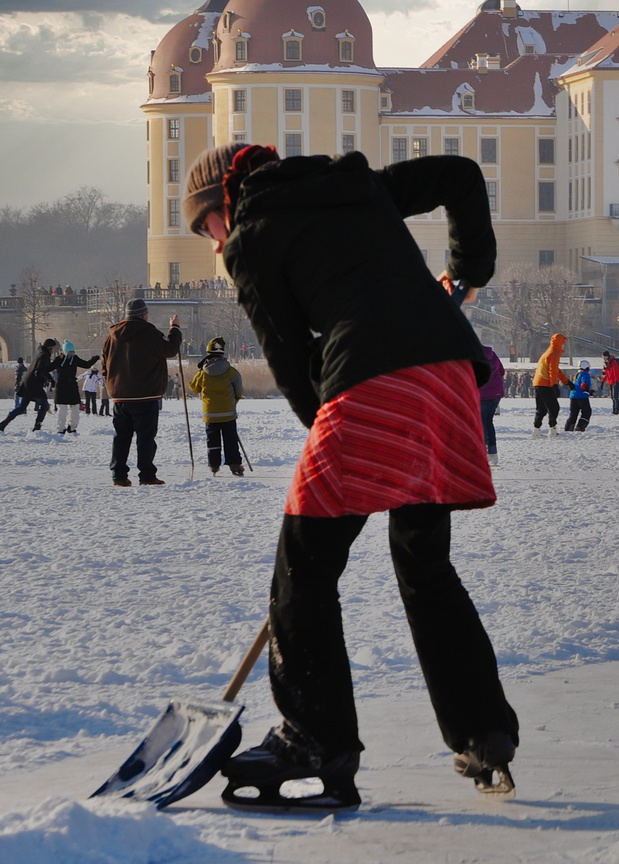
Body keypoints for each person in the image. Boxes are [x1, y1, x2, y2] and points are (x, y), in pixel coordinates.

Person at [185, 142, 517, 806]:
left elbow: (287, 359)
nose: (213, 245)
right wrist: (469, 268)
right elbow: (460, 175)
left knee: (302, 568)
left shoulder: (254, 238)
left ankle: (315, 738)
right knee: (424, 564)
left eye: (207, 228)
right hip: (448, 377)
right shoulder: (358, 185)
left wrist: (337, 428)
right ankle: (483, 732)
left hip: (370, 385)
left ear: (227, 201)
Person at [102, 300, 182, 486]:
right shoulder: (149, 333)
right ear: (143, 315)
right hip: (146, 395)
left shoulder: (111, 337)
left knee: (121, 437)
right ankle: (146, 475)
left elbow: (104, 365)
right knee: (145, 438)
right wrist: (175, 329)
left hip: (120, 395)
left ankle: (118, 475)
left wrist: (111, 386)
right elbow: (170, 349)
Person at [189, 336, 245, 475]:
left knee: (212, 441)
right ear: (223, 353)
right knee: (231, 440)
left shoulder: (202, 373)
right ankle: (235, 465)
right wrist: (233, 403)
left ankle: (214, 466)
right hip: (228, 413)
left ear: (208, 353)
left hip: (210, 414)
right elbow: (239, 391)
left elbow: (194, 388)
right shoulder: (231, 371)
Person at [0, 338, 56, 433]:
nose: (54, 350)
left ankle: (3, 423)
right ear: (50, 348)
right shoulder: (44, 356)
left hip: (28, 383)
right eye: (53, 348)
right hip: (34, 385)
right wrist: (50, 379)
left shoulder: (39, 354)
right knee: (44, 405)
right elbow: (40, 370)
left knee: (21, 407)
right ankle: (37, 426)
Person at [48, 340, 98, 434]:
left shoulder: (75, 359)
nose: (71, 353)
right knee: (62, 410)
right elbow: (49, 368)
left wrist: (94, 359)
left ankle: (72, 427)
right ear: (65, 351)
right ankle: (60, 429)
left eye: (72, 351)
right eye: (70, 351)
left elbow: (86, 364)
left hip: (72, 386)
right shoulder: (59, 359)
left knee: (75, 408)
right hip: (62, 387)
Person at [532, 334, 571, 438]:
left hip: (538, 383)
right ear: (559, 342)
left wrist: (566, 381)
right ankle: (552, 430)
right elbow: (552, 371)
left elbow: (556, 371)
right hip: (545, 384)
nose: (563, 345)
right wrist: (554, 385)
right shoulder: (554, 353)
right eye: (563, 343)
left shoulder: (549, 352)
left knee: (541, 409)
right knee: (554, 408)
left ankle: (536, 431)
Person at [479, 345, 504, 465]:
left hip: (483, 393)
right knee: (489, 421)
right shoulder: (493, 354)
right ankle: (493, 453)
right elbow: (502, 371)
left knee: (482, 422)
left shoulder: (475, 357)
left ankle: (483, 451)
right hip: (496, 393)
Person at [565, 360, 594, 432]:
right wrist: (586, 389)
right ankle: (580, 426)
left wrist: (589, 391)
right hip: (582, 397)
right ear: (586, 368)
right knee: (587, 412)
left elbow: (577, 385)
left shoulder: (576, 375)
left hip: (573, 396)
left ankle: (568, 429)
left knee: (573, 414)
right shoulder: (585, 374)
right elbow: (584, 384)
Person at [602, 350, 619, 415]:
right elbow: (605, 373)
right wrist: (602, 381)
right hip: (611, 381)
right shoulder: (606, 363)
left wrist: (617, 381)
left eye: (603, 356)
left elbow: (616, 372)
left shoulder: (613, 362)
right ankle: (615, 409)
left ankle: (617, 409)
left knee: (615, 396)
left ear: (606, 356)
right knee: (612, 396)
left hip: (615, 381)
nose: (603, 357)